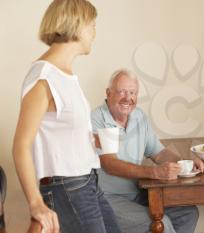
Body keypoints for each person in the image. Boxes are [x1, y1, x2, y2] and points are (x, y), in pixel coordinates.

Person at [12, 1, 121, 233]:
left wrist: (90, 140)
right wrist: (36, 204)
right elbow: (21, 145)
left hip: (87, 182)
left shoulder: (66, 75)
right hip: (68, 186)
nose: (94, 32)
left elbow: (59, 132)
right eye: (92, 24)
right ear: (77, 25)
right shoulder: (44, 77)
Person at [91, 69, 204, 233]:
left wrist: (186, 163)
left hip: (139, 195)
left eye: (132, 93)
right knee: (162, 223)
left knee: (187, 213)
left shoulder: (139, 116)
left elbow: (158, 153)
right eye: (122, 92)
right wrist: (155, 172)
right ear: (109, 93)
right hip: (109, 199)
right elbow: (110, 164)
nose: (128, 98)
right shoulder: (98, 118)